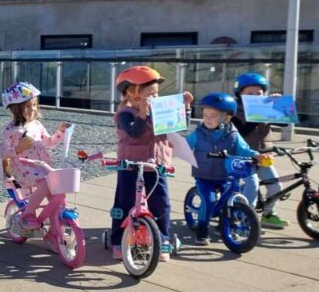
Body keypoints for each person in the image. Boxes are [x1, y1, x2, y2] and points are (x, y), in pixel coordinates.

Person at [109, 66, 193, 262]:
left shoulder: (159, 111)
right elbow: (135, 132)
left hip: (157, 163)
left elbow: (180, 124)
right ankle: (118, 239)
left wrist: (186, 107)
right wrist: (143, 112)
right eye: (149, 93)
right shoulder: (125, 114)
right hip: (131, 164)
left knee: (161, 203)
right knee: (125, 202)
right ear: (133, 93)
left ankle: (163, 238)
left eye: (156, 94)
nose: (154, 98)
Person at [186, 92, 260, 241]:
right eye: (205, 115)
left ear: (226, 117)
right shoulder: (198, 134)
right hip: (204, 176)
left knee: (234, 191)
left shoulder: (233, 135)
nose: (207, 119)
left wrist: (257, 155)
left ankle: (225, 221)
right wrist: (172, 148)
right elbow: (186, 145)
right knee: (209, 200)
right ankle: (202, 227)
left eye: (212, 116)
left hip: (225, 175)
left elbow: (244, 149)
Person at [0, 82, 70, 229]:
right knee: (46, 182)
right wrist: (18, 148)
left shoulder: (36, 124)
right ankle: (28, 214)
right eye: (28, 106)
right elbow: (3, 153)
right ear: (16, 109)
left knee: (55, 191)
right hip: (22, 169)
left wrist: (61, 132)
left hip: (41, 167)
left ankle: (55, 227)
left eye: (35, 105)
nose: (33, 109)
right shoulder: (10, 130)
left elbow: (48, 142)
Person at [232, 72, 287, 229]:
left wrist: (278, 104)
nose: (255, 96)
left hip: (264, 155)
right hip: (244, 156)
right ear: (239, 93)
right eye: (249, 93)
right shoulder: (234, 110)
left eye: (259, 93)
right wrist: (257, 115)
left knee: (276, 186)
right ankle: (244, 217)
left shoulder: (266, 106)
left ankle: (269, 214)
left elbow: (284, 123)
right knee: (252, 186)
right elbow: (241, 131)